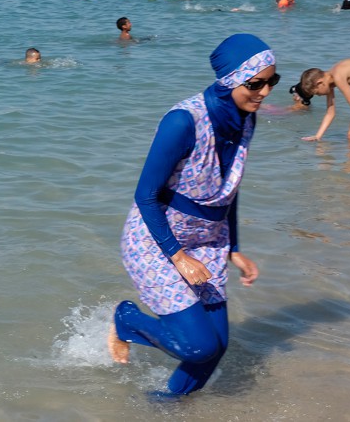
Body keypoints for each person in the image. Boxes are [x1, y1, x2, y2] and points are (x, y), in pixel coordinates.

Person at [107, 33, 278, 395]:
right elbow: (146, 195)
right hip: (155, 241)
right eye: (255, 83)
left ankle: (167, 403)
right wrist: (179, 257)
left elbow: (228, 187)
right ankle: (126, 319)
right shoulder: (183, 121)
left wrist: (233, 248)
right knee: (199, 346)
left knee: (217, 346)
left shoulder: (245, 119)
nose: (264, 92)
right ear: (231, 79)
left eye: (271, 82)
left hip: (209, 241)